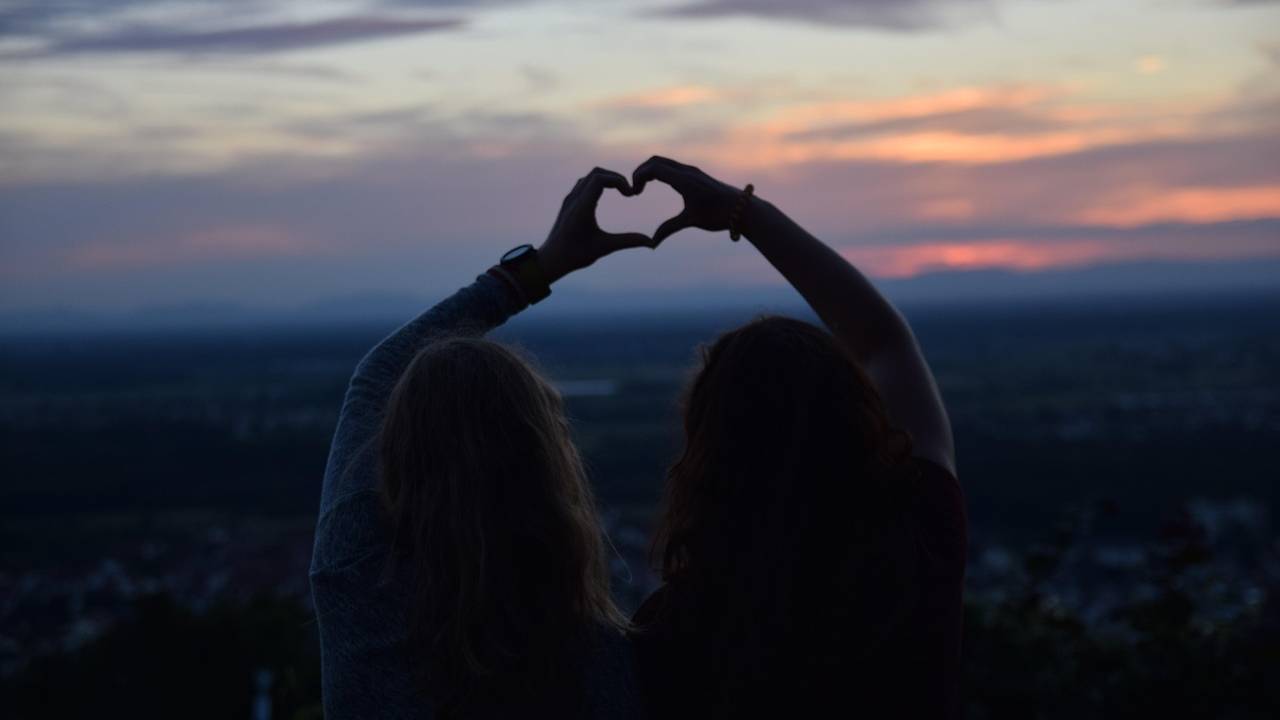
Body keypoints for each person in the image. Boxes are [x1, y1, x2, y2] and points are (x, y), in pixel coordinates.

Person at [627, 156, 968, 719]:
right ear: (858, 414)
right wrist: (744, 212)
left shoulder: (672, 628)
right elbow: (884, 340)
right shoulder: (921, 535)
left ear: (707, 455)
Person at [309, 168, 654, 719]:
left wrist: (541, 265)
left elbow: (377, 375)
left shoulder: (354, 583)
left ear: (396, 456)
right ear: (548, 469)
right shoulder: (598, 663)